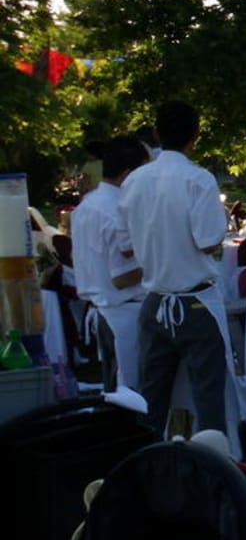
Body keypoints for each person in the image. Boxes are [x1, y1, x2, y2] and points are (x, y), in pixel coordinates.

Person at [116, 101, 231, 435]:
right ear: (195, 135)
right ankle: (213, 461)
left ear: (156, 133)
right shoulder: (198, 179)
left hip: (155, 303)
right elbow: (208, 241)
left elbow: (125, 244)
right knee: (209, 398)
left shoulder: (135, 181)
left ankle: (148, 458)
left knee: (151, 401)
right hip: (195, 304)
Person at [71, 135, 150, 391]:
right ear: (128, 174)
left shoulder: (87, 204)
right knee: (131, 395)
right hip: (125, 313)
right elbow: (122, 277)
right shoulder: (119, 210)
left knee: (115, 390)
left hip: (103, 309)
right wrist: (162, 261)